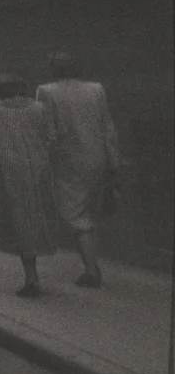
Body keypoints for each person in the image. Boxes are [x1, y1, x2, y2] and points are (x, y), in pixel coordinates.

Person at [36, 52, 121, 288]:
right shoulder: (96, 89)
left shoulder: (46, 91)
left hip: (68, 162)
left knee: (75, 215)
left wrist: (45, 160)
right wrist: (113, 162)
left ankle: (91, 271)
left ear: (54, 69)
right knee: (87, 213)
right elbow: (107, 126)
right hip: (98, 158)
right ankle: (91, 264)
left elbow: (49, 131)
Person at [0, 73, 59, 298]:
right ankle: (33, 273)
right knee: (36, 217)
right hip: (38, 172)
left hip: (8, 172)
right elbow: (52, 138)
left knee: (19, 220)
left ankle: (31, 278)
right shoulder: (40, 108)